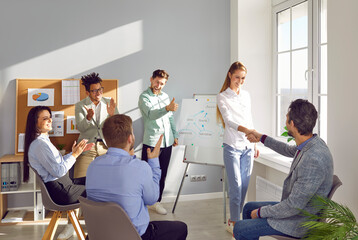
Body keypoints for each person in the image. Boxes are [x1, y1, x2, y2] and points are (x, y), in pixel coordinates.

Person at [234, 99, 334, 240]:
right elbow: (287, 149)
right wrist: (261, 137)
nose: (285, 119)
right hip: (298, 210)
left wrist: (261, 212)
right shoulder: (312, 143)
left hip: (298, 222)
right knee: (249, 207)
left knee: (240, 228)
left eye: (287, 117)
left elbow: (293, 206)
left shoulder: (313, 159)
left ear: (291, 124)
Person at [86, 114, 188, 240]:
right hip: (133, 235)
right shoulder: (140, 167)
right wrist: (154, 162)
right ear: (130, 138)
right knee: (181, 228)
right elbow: (152, 199)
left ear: (106, 140)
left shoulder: (93, 166)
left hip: (99, 234)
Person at [23, 106, 93, 240]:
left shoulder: (43, 141)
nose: (50, 120)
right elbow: (59, 170)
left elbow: (58, 164)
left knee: (95, 180)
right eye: (45, 118)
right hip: (61, 191)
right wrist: (75, 155)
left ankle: (96, 230)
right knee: (99, 189)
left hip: (63, 184)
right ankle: (97, 232)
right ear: (34, 122)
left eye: (50, 117)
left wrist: (74, 153)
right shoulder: (40, 145)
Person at [216, 61, 259, 233]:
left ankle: (235, 219)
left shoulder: (246, 95)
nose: (240, 81)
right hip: (232, 146)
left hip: (248, 146)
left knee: (244, 188)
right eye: (237, 77)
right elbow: (229, 121)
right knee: (235, 187)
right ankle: (235, 224)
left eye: (243, 78)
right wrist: (248, 130)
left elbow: (249, 118)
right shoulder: (222, 97)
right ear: (229, 75)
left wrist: (254, 142)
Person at [138, 69, 179, 215]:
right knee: (147, 174)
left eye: (162, 84)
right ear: (151, 79)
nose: (158, 85)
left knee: (162, 174)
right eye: (157, 82)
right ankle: (143, 202)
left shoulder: (166, 96)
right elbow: (150, 114)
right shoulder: (144, 97)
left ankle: (157, 202)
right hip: (152, 141)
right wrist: (167, 108)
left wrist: (174, 134)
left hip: (167, 141)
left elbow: (170, 118)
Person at [73, 72, 119, 179]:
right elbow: (81, 128)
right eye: (94, 91)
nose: (98, 93)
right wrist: (88, 118)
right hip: (87, 147)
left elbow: (118, 128)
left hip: (105, 146)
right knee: (81, 179)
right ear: (87, 92)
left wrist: (112, 115)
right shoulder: (80, 105)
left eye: (100, 89)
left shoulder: (109, 103)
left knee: (108, 179)